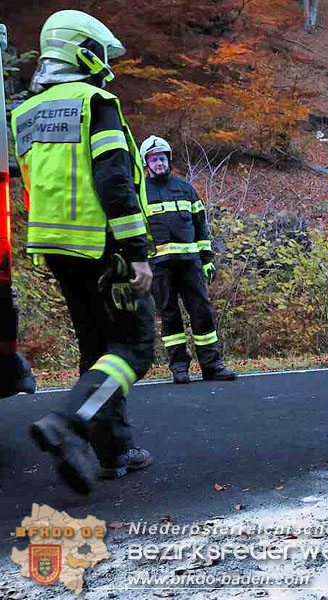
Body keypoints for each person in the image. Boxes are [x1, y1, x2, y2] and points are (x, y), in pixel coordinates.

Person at [11, 9, 155, 493]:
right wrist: (135, 251)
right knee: (134, 347)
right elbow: (114, 181)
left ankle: (112, 451)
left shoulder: (25, 112)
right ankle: (69, 422)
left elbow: (35, 182)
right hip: (104, 246)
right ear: (83, 51)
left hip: (54, 246)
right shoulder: (96, 103)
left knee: (97, 348)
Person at [139, 135, 236, 384]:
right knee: (170, 316)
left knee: (202, 312)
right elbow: (134, 231)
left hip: (190, 263)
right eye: (153, 159)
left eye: (162, 158)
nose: (159, 163)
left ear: (168, 160)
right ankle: (179, 368)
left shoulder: (186, 189)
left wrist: (207, 259)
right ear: (145, 163)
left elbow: (200, 227)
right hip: (159, 266)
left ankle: (212, 366)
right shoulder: (139, 193)